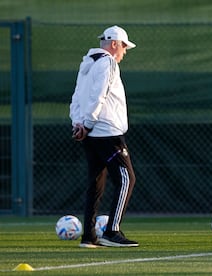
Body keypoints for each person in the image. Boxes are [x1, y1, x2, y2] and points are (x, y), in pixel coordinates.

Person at [70, 25, 138, 248]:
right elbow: (99, 95)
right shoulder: (107, 62)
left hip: (91, 134)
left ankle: (89, 236)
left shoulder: (87, 63)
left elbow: (77, 97)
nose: (125, 52)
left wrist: (78, 123)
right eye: (124, 47)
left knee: (96, 183)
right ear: (115, 44)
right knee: (127, 179)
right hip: (107, 133)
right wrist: (87, 124)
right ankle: (112, 231)